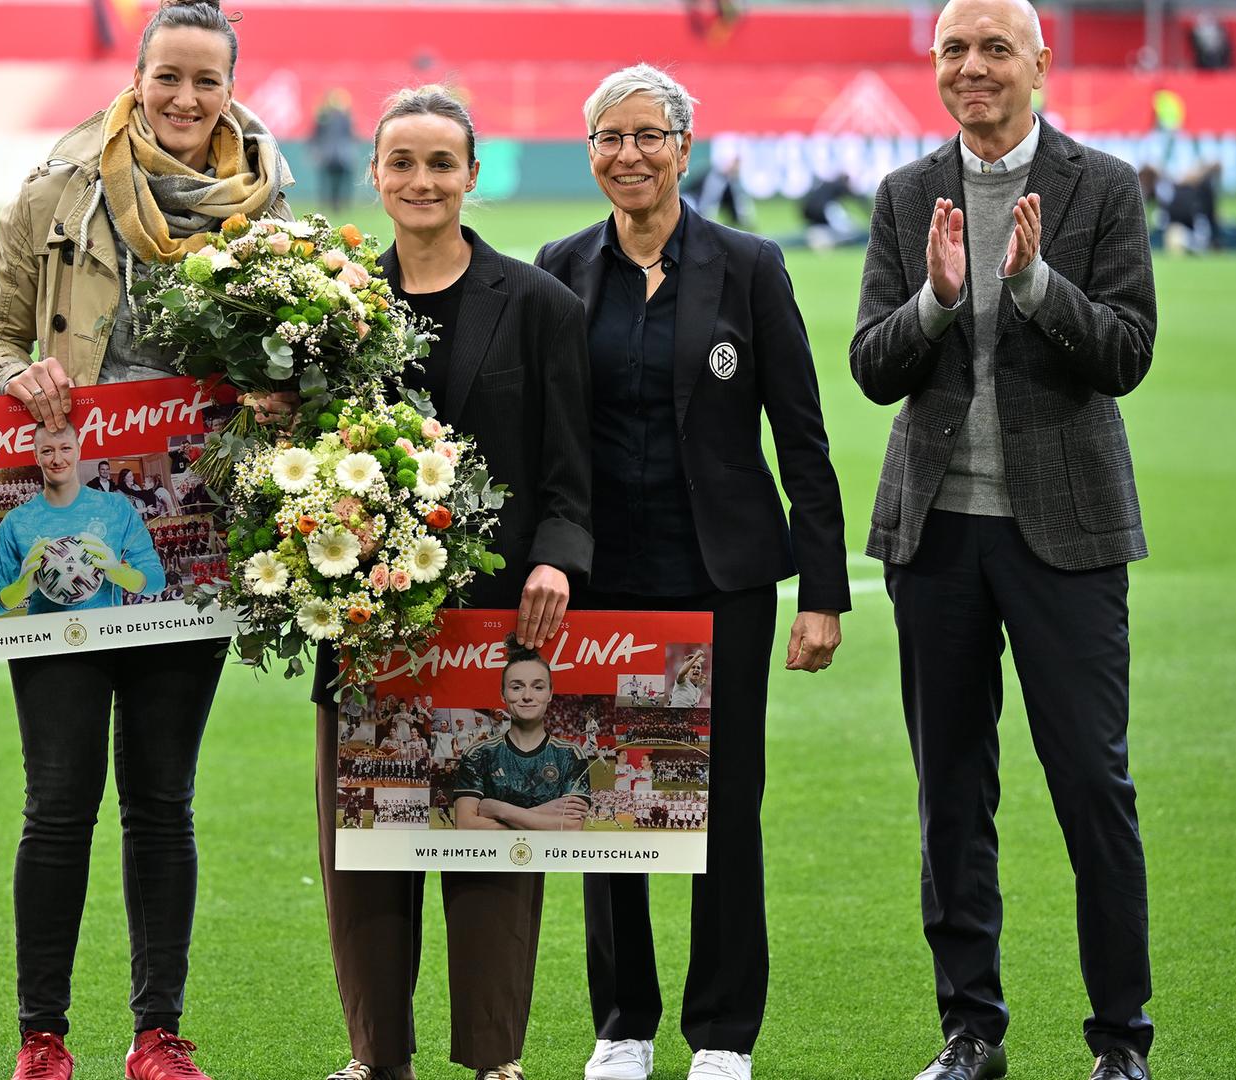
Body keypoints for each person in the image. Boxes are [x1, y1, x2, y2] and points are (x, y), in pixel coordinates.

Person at [0, 2, 291, 1077]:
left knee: (162, 802)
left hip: (195, 541)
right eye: (169, 77)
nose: (186, 99)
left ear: (231, 87)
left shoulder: (267, 205)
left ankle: (158, 1032)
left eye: (207, 80)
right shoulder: (56, 187)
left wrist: (281, 394)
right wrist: (19, 376)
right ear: (137, 78)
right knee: (58, 801)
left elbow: (296, 360)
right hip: (70, 525)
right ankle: (42, 1037)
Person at [847, 1, 1158, 1077]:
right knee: (950, 793)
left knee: (1093, 788)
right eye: (954, 50)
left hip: (1067, 534)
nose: (971, 67)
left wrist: (1032, 283)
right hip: (936, 536)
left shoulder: (1103, 186)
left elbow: (1126, 353)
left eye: (994, 48)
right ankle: (970, 1030)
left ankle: (1120, 1039)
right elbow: (872, 365)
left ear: (1039, 61)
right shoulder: (904, 194)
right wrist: (935, 303)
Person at [535, 63, 848, 1080]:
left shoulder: (748, 266)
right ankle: (623, 1023)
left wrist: (823, 594)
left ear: (682, 146)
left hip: (723, 578)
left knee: (723, 802)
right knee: (604, 801)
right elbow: (539, 432)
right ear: (590, 152)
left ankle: (721, 1033)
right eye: (610, 138)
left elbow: (801, 436)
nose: (629, 155)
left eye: (648, 136)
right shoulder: (560, 267)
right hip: (598, 579)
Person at [312, 86, 593, 1080]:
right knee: (368, 846)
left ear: (472, 175)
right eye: (403, 162)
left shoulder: (543, 306)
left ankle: (493, 1059)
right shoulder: (332, 308)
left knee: (492, 843)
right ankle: (375, 1057)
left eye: (442, 163)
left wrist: (556, 556)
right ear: (374, 173)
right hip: (363, 621)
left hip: (497, 624)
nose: (422, 181)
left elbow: (570, 474)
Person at [0, 421, 162, 615]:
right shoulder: (15, 521)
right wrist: (20, 589)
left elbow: (157, 579)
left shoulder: (116, 506)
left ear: (78, 451)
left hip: (107, 630)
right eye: (47, 451)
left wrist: (119, 573)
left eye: (65, 448)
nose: (57, 460)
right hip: (46, 633)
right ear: (36, 456)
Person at [453, 638, 593, 830]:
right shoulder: (478, 753)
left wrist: (498, 809)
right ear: (502, 694)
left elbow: (570, 828)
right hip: (493, 853)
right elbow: (465, 826)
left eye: (538, 687)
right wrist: (544, 814)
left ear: (550, 693)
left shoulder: (571, 754)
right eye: (517, 687)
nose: (527, 696)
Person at [310, 88, 359, 212]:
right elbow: (316, 135)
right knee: (326, 181)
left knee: (342, 180)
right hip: (328, 154)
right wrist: (316, 150)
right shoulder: (323, 116)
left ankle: (340, 203)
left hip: (342, 154)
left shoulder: (344, 117)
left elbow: (350, 135)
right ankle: (327, 203)